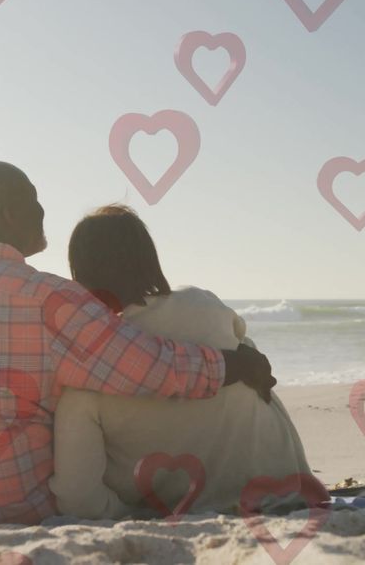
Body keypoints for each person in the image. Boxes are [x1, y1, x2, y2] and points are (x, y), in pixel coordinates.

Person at [0, 161, 276, 528]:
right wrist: (236, 364)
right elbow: (151, 368)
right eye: (34, 199)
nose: (43, 209)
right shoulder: (50, 298)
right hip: (17, 507)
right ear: (11, 213)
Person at [49, 204, 314, 519]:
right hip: (293, 493)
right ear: (148, 259)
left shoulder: (87, 371)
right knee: (246, 351)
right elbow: (242, 341)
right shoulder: (201, 305)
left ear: (79, 272)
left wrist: (133, 516)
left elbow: (79, 499)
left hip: (190, 509)